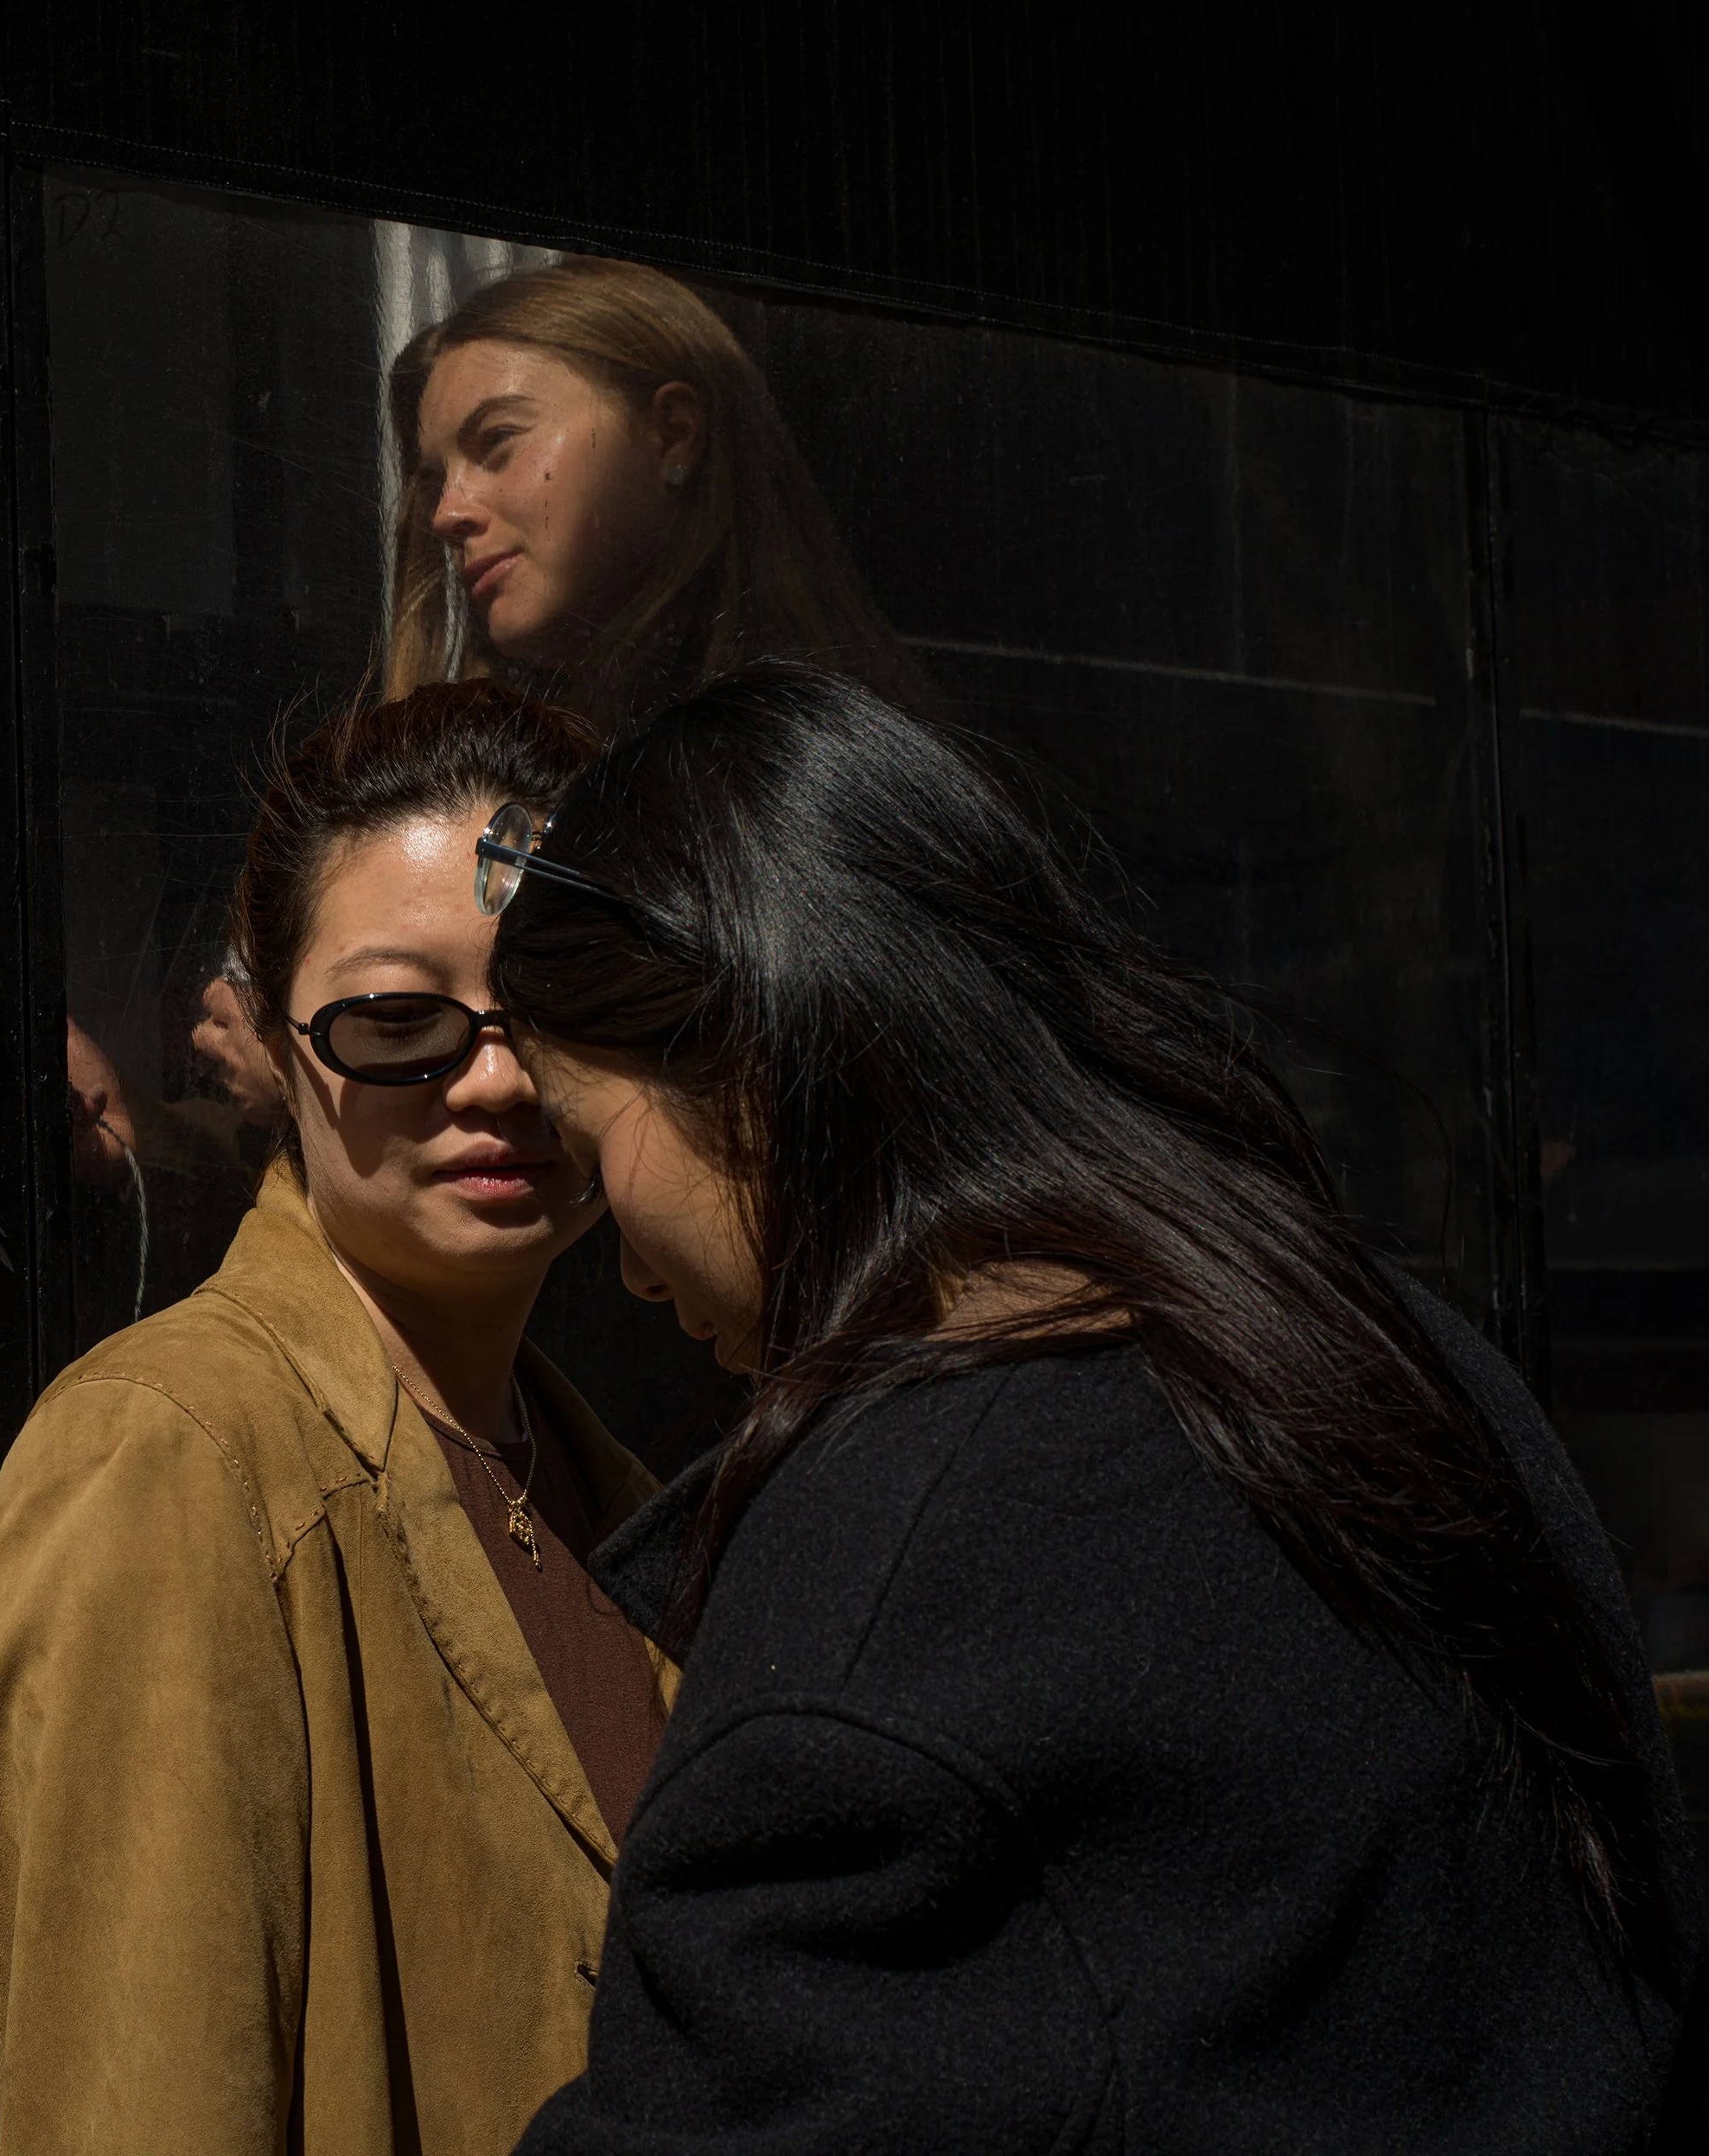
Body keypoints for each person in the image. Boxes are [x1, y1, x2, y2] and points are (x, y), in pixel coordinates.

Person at [482, 663, 1705, 2153]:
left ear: (744, 1055)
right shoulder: (1398, 1356)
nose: (615, 1261)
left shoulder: (899, 1563)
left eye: (581, 1135)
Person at [0, 682, 673, 2156]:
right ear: (277, 1048)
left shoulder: (615, 1489)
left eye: (553, 1009)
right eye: (396, 1019)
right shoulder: (171, 1455)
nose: (494, 1078)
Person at [387, 256, 940, 734]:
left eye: (497, 441)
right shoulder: (501, 753)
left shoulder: (792, 758)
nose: (445, 513)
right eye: (436, 479)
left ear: (672, 434)